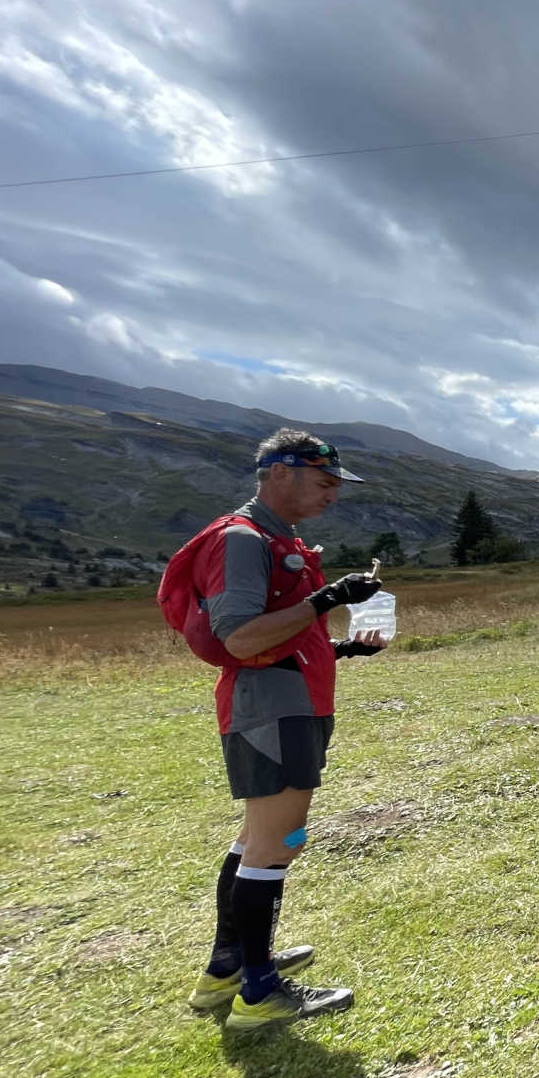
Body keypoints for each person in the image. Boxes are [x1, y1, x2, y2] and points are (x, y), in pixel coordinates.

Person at [174, 430, 387, 1030]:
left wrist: (339, 648)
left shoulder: (274, 538)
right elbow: (240, 636)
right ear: (281, 473)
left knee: (257, 840)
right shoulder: (243, 540)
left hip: (286, 701)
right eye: (325, 484)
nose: (333, 496)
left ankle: (229, 969)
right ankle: (260, 991)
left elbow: (276, 635)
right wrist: (330, 597)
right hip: (273, 711)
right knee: (279, 844)